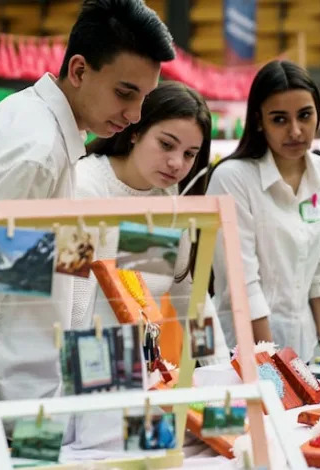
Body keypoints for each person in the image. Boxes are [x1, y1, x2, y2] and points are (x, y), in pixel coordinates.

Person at [0, 1, 174, 466]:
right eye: (125, 93)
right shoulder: (34, 151)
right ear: (79, 69)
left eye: (144, 97)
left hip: (21, 391)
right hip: (3, 405)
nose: (135, 115)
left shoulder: (40, 129)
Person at [65, 81, 229, 453]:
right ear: (136, 131)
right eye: (166, 144)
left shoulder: (165, 198)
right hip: (78, 382)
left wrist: (221, 373)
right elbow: (70, 304)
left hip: (135, 378)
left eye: (190, 154)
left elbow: (189, 297)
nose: (177, 164)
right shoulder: (86, 186)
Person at [206, 60, 320, 362]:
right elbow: (243, 284)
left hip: (307, 350)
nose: (295, 131)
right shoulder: (232, 178)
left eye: (305, 115)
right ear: (258, 121)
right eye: (279, 119)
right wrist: (276, 366)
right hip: (243, 351)